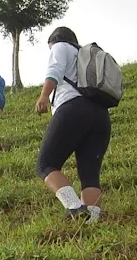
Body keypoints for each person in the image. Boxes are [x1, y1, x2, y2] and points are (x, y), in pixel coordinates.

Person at [33, 26, 111, 222]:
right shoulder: (87, 56)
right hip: (101, 114)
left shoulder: (60, 46)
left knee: (46, 164)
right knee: (89, 174)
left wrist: (44, 96)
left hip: (73, 108)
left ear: (55, 41)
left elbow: (54, 71)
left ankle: (75, 208)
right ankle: (92, 222)